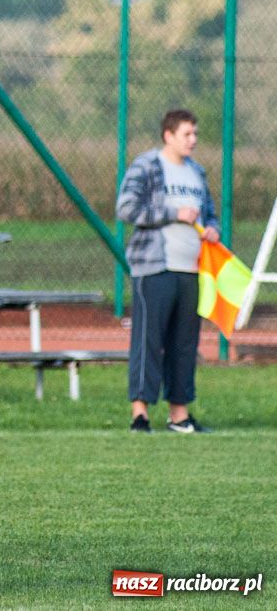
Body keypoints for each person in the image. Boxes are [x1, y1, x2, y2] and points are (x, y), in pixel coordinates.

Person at [116, 109, 219, 434]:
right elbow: (126, 208)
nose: (193, 140)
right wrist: (175, 213)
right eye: (187, 134)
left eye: (195, 134)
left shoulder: (196, 173)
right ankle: (140, 414)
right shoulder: (147, 166)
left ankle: (179, 414)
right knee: (149, 340)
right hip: (154, 268)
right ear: (168, 135)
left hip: (191, 270)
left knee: (185, 343)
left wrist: (212, 229)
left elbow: (211, 214)